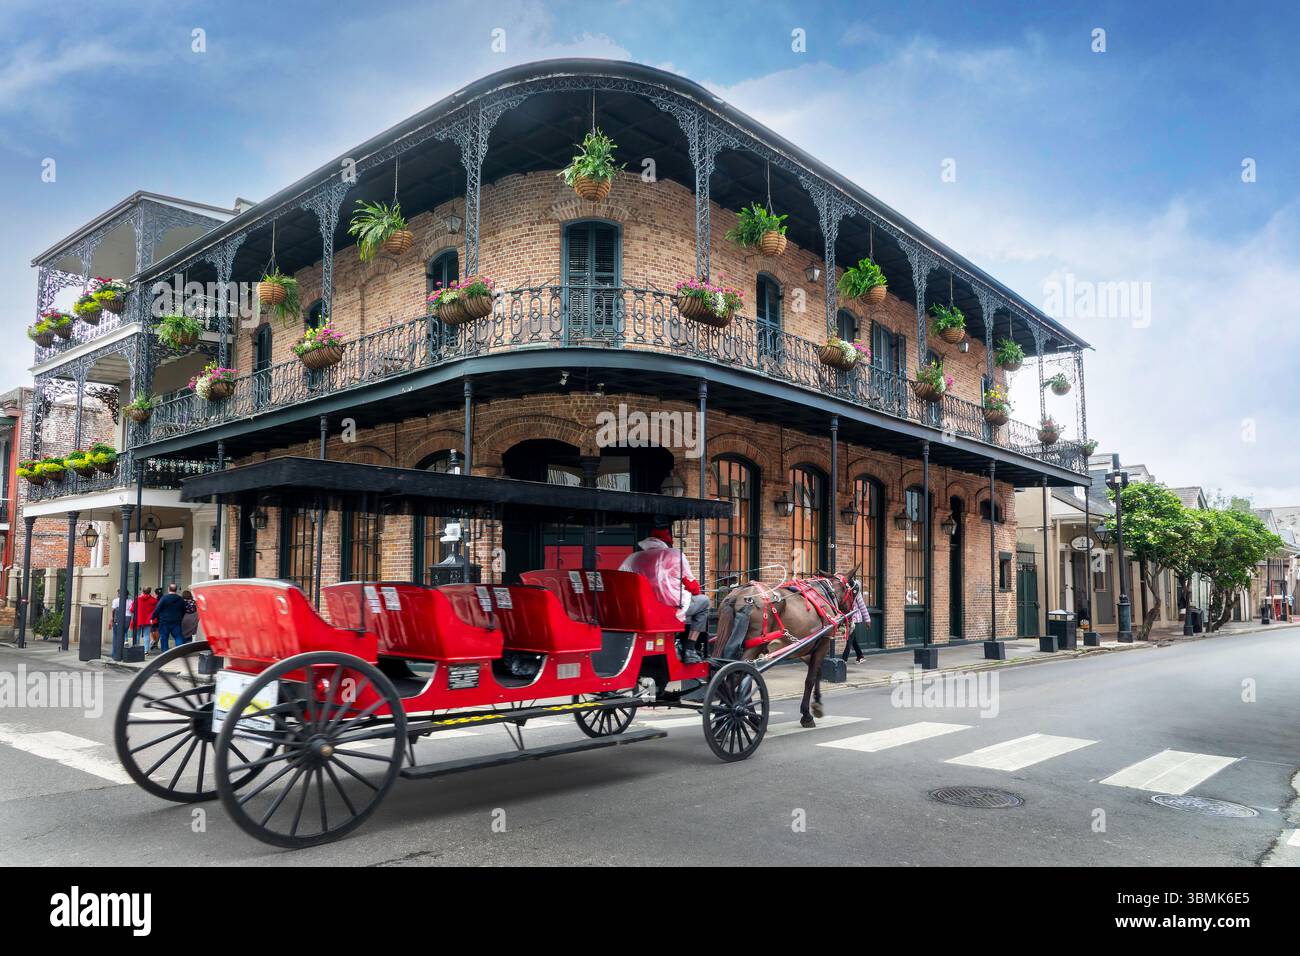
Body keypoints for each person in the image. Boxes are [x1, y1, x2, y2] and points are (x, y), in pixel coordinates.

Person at [618, 523, 707, 663]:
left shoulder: (633, 557)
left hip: (640, 609)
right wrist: (696, 592)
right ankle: (689, 649)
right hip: (668, 608)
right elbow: (692, 585)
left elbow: (621, 581)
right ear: (668, 541)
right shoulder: (674, 555)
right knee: (704, 602)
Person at [151, 584, 187, 652]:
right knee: (178, 637)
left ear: (168, 589)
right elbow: (184, 610)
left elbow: (157, 609)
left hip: (164, 621)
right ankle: (179, 652)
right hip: (176, 621)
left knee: (164, 638)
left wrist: (152, 617)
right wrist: (180, 617)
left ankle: (165, 653)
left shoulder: (164, 598)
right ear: (176, 589)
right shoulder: (180, 599)